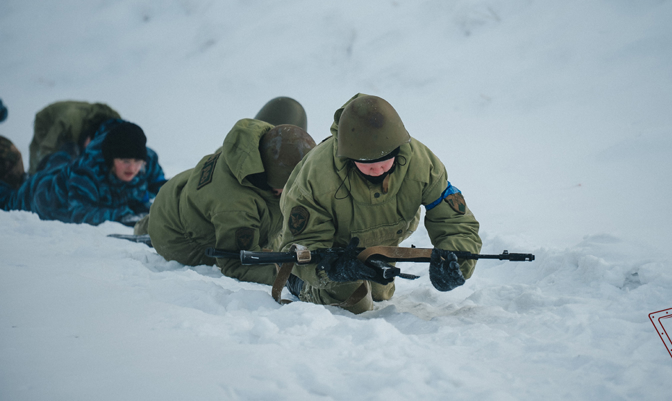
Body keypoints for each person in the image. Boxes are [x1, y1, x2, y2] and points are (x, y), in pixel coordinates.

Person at [278, 94, 482, 314]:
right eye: (366, 163)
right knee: (352, 300)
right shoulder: (316, 175)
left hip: (386, 237)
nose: (377, 170)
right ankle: (298, 284)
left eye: (385, 160)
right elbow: (302, 240)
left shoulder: (423, 164)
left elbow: (455, 221)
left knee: (381, 293)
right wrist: (334, 267)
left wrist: (455, 262)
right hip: (332, 247)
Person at [144, 119, 315, 286]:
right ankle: (146, 225)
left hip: (178, 192)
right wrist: (294, 280)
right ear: (276, 180)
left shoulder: (257, 149)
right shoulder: (237, 209)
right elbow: (237, 263)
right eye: (290, 186)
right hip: (178, 238)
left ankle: (143, 223)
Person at [0, 119, 166, 226]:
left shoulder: (148, 160)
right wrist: (124, 215)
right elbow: (80, 213)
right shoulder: (87, 172)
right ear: (111, 159)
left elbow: (162, 188)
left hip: (66, 171)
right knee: (7, 200)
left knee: (60, 163)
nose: (132, 168)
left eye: (137, 162)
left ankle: (60, 157)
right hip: (43, 195)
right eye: (125, 162)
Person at [28, 100, 121, 174]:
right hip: (47, 121)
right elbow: (47, 147)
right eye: (91, 146)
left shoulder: (115, 126)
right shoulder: (69, 123)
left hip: (78, 127)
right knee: (51, 161)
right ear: (89, 136)